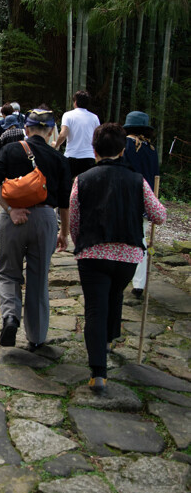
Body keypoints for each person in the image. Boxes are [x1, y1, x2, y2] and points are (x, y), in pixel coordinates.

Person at [70, 122, 166, 391]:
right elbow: (159, 215)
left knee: (95, 308)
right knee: (114, 295)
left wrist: (81, 244)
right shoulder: (138, 180)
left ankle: (98, 373)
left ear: (94, 150)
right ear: (123, 150)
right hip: (127, 255)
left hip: (93, 254)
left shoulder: (82, 179)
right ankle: (109, 338)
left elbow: (74, 220)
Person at [0, 107, 72, 350]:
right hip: (45, 218)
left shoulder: (11, 149)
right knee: (38, 278)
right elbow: (64, 202)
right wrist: (64, 232)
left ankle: (10, 317)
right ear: (52, 130)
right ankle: (36, 337)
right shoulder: (59, 159)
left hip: (14, 218)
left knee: (8, 272)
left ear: (26, 128)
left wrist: (9, 209)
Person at [122, 110, 161, 300]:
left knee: (123, 237)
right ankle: (139, 284)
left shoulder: (126, 145)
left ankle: (123, 276)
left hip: (128, 197)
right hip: (147, 198)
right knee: (141, 239)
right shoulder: (151, 149)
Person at [55, 91, 100, 179]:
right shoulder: (94, 117)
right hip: (89, 156)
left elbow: (63, 134)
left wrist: (56, 145)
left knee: (67, 183)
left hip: (72, 156)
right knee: (87, 184)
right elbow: (98, 137)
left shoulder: (68, 115)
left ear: (75, 102)